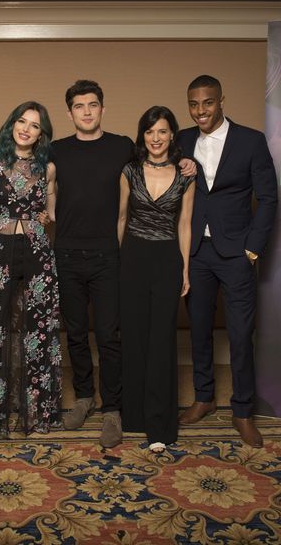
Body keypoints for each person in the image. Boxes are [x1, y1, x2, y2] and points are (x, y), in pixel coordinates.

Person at [52, 80, 195, 449]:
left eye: (93, 104)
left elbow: (162, 154)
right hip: (66, 253)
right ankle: (85, 397)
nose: (86, 111)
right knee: (76, 332)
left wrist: (186, 160)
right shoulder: (55, 150)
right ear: (69, 112)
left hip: (108, 257)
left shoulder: (121, 149)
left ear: (103, 108)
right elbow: (27, 177)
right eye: (79, 106)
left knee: (111, 334)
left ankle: (113, 407)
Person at [176, 75, 278, 448]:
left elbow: (268, 198)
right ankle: (203, 398)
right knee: (199, 330)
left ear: (221, 101)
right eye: (193, 104)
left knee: (239, 334)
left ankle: (242, 412)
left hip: (236, 253)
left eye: (207, 102)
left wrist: (252, 248)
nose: (200, 110)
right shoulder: (182, 140)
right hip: (197, 254)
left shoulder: (251, 141)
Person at [0, 101, 61, 446]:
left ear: (42, 134)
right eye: (21, 121)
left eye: (34, 125)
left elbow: (50, 210)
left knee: (37, 328)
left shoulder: (48, 167)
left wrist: (46, 218)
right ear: (12, 124)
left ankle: (37, 410)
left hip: (38, 252)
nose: (26, 128)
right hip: (0, 252)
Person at [118, 106, 194, 454]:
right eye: (150, 132)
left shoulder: (187, 174)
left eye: (162, 131)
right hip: (133, 256)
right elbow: (121, 218)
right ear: (143, 136)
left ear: (172, 135)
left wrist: (184, 270)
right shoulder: (130, 171)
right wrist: (121, 263)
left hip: (166, 257)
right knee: (135, 336)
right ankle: (134, 416)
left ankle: (160, 423)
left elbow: (184, 224)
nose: (156, 138)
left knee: (162, 340)